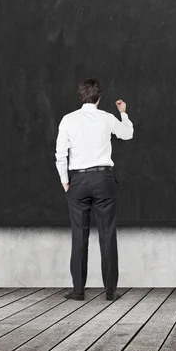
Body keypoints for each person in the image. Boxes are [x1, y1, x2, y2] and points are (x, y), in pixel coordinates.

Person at [55, 78, 134, 301]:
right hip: (104, 179)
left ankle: (78, 290)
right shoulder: (107, 118)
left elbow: (60, 154)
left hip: (78, 181)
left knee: (79, 236)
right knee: (107, 234)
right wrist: (124, 113)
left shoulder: (68, 120)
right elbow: (127, 134)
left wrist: (65, 180)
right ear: (99, 97)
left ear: (81, 96)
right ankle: (110, 292)